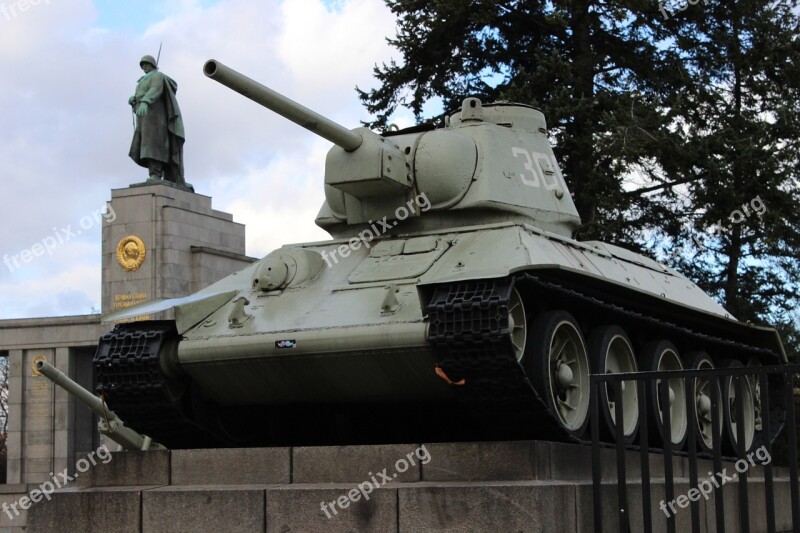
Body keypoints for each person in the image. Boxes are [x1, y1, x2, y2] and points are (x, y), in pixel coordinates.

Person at [128, 55, 190, 189]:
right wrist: (135, 101)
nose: (144, 67)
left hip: (156, 118)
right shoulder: (141, 81)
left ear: (152, 65)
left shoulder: (157, 76)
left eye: (146, 64)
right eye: (142, 65)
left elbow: (155, 89)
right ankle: (154, 173)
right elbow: (140, 104)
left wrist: (145, 101)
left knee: (153, 144)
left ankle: (155, 174)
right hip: (145, 118)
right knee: (145, 145)